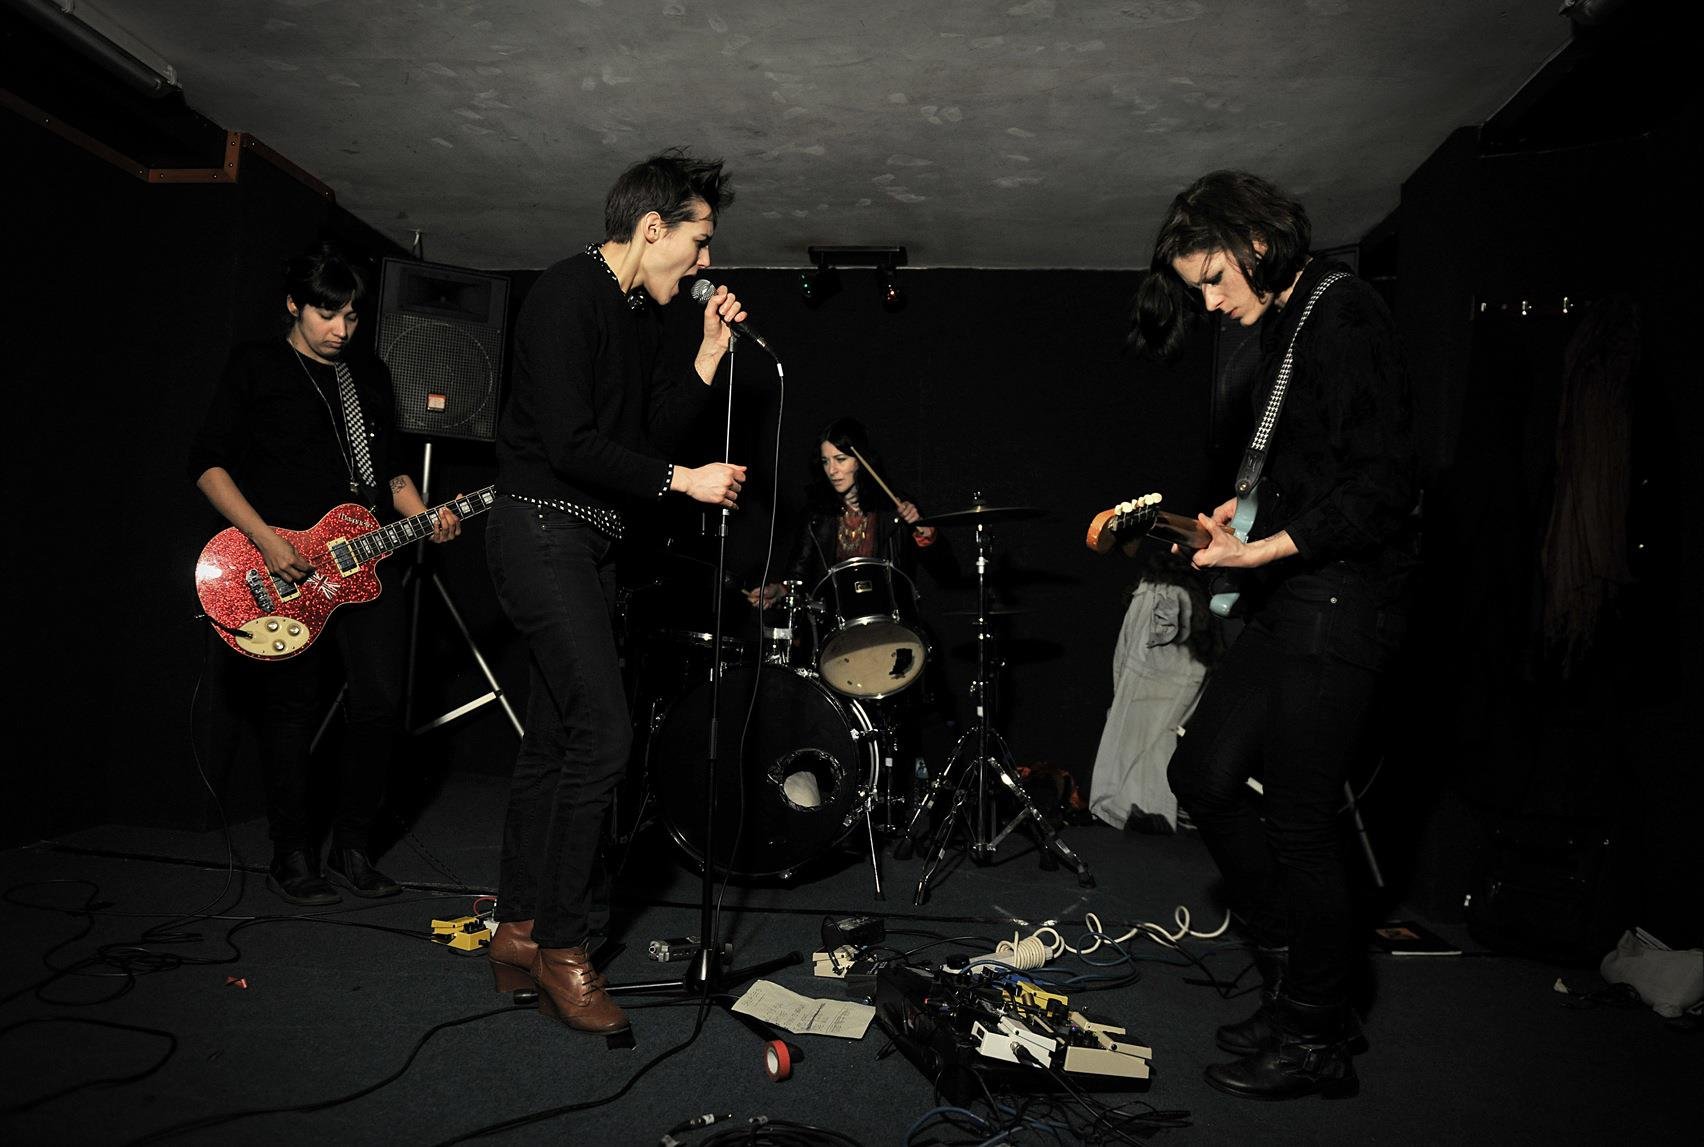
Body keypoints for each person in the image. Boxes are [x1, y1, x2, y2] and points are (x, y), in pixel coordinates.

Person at [1130, 170, 1420, 1100]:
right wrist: (1242, 514)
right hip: (1293, 594)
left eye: (1214, 278)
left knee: (1299, 816)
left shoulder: (1345, 312)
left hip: (1342, 602)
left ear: (1255, 242)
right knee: (1202, 773)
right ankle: (1300, 988)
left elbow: (1381, 487)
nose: (1211, 302)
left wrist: (1259, 551)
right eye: (1198, 289)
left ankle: (1315, 1035)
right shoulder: (1288, 324)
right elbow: (1310, 473)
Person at [482, 148, 749, 1037]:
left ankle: (517, 929)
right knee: (605, 732)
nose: (706, 260)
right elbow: (569, 444)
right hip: (540, 530)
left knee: (556, 740)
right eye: (699, 241)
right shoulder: (567, 293)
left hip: (589, 547)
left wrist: (707, 355)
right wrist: (684, 481)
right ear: (652, 227)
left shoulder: (638, 317)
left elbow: (646, 434)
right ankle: (564, 946)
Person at [189, 241, 462, 907]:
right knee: (292, 709)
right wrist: (266, 541)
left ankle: (353, 848)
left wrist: (426, 516)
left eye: (352, 316)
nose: (342, 329)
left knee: (379, 705)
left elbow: (390, 474)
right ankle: (291, 853)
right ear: (293, 304)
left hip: (365, 565)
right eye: (327, 314)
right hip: (283, 567)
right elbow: (207, 464)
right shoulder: (256, 365)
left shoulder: (368, 376)